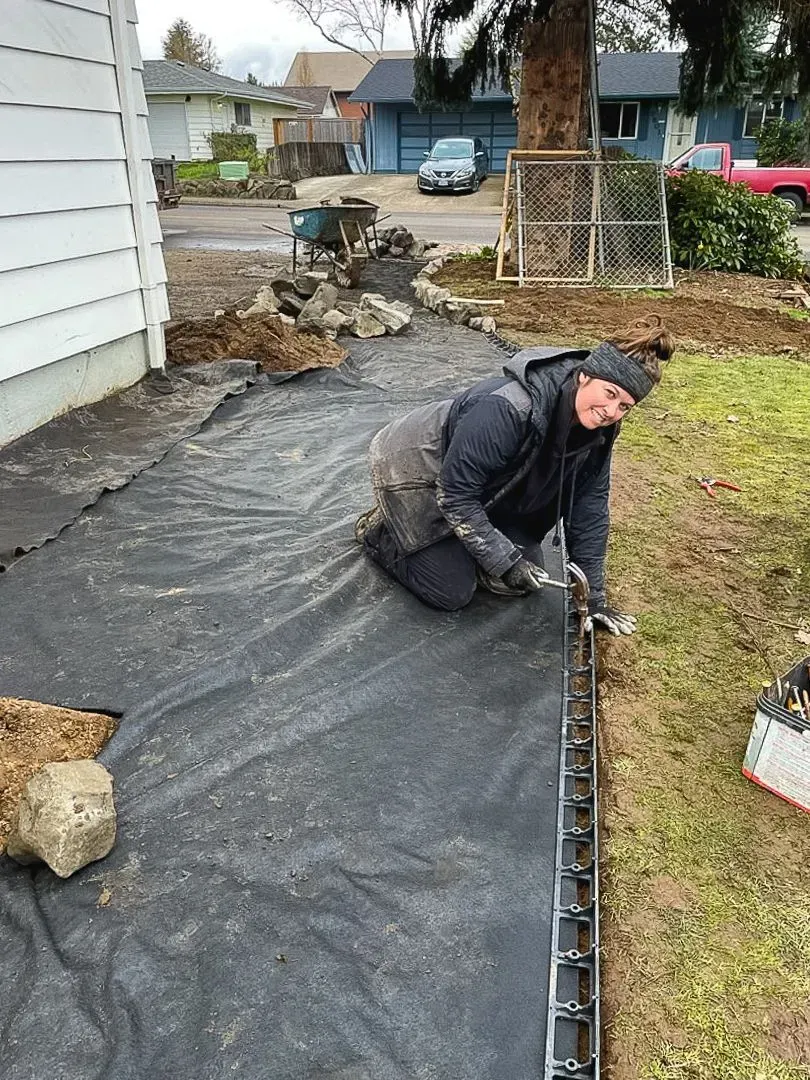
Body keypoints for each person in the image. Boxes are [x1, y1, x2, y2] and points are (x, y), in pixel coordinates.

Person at [354, 316, 674, 633]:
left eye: (625, 406)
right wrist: (503, 561)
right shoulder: (510, 408)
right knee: (450, 591)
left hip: (485, 485)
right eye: (609, 393)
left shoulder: (600, 432)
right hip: (417, 471)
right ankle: (383, 534)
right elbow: (454, 493)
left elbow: (589, 510)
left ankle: (464, 548)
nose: (612, 411)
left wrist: (592, 600)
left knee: (526, 578)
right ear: (586, 376)